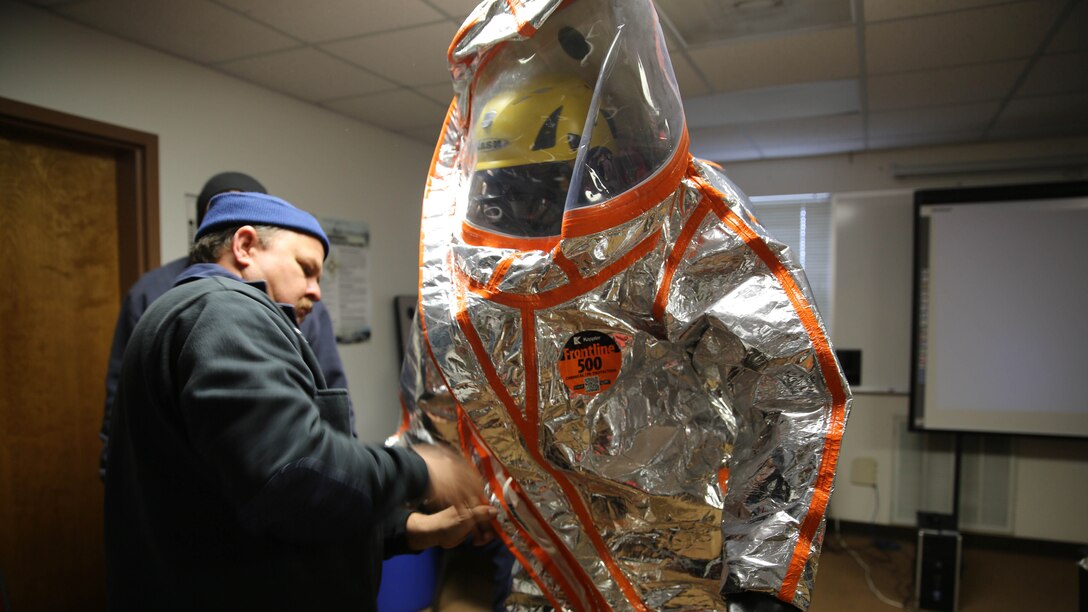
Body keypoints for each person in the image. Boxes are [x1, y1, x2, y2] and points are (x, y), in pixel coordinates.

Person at [392, 0, 851, 610]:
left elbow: (788, 391)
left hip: (684, 572)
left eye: (547, 186)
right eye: (508, 193)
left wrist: (765, 575)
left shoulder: (672, 231)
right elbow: (436, 416)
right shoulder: (464, 283)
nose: (527, 213)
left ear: (593, 169)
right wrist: (408, 493)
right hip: (544, 565)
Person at [104, 191, 495, 611]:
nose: (316, 291)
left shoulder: (192, 313)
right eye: (306, 270)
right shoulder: (221, 310)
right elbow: (293, 471)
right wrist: (422, 469)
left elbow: (246, 500)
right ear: (245, 246)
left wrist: (411, 529)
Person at [99, 171, 349, 481]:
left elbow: (328, 389)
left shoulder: (306, 303)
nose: (314, 290)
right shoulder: (163, 293)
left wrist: (349, 474)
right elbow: (124, 392)